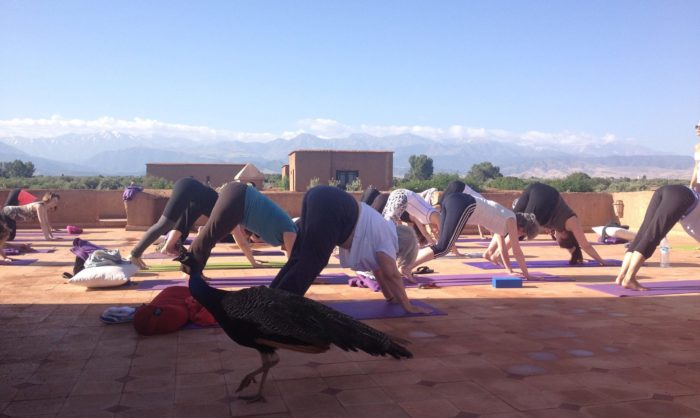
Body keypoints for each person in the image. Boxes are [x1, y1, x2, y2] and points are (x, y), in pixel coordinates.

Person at [269, 186, 428, 314]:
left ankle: (269, 299)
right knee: (314, 261)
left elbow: (380, 273)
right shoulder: (389, 239)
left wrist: (391, 298)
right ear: (402, 249)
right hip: (332, 205)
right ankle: (279, 309)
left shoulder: (382, 234)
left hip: (319, 195)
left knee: (300, 257)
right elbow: (392, 275)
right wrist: (408, 307)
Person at [411, 185, 540, 279]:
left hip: (455, 200)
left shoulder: (503, 220)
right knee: (443, 247)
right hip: (465, 204)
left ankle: (407, 263)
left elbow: (503, 250)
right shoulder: (511, 220)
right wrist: (527, 275)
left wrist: (510, 271)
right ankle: (407, 266)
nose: (520, 236)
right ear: (522, 227)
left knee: (442, 246)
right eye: (523, 234)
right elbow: (517, 251)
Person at [189, 181, 297, 269]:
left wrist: (253, 263)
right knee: (209, 236)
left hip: (237, 194)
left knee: (209, 234)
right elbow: (292, 261)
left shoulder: (283, 229)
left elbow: (241, 242)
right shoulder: (290, 230)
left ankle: (192, 268)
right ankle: (190, 269)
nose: (284, 250)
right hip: (239, 198)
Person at [615, 184, 700, 290]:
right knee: (653, 235)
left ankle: (621, 276)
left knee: (642, 234)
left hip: (669, 189)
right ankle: (629, 279)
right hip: (683, 196)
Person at [130, 178, 218, 269]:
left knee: (184, 222)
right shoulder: (227, 214)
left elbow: (182, 224)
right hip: (188, 187)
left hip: (196, 194)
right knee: (165, 223)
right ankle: (134, 255)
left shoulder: (213, 206)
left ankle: (163, 248)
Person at [513, 182, 608, 265]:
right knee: (520, 228)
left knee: (512, 221)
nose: (555, 237)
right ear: (564, 234)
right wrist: (602, 261)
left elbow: (572, 246)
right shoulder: (572, 222)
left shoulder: (559, 228)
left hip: (534, 188)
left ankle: (498, 253)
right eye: (558, 240)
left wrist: (574, 252)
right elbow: (585, 245)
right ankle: (499, 254)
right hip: (548, 196)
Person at [690, 121, 700, 192]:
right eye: (696, 126)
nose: (698, 129)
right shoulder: (697, 147)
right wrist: (691, 184)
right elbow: (697, 167)